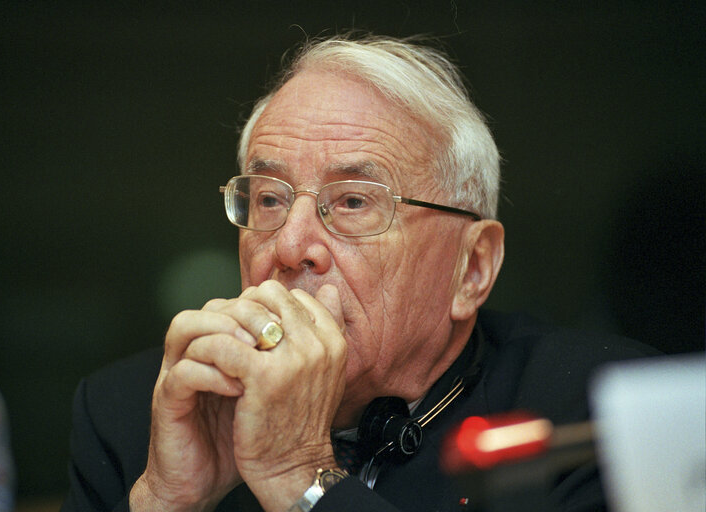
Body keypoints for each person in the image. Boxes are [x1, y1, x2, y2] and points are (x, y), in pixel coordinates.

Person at [61, 35, 653, 512]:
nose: (291, 245)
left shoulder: (604, 416)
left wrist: (302, 478)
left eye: (352, 203)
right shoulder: (138, 410)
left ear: (471, 269)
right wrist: (166, 502)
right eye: (269, 199)